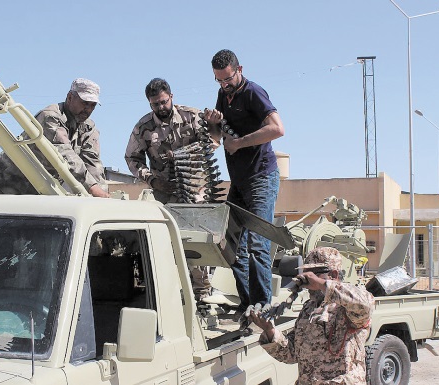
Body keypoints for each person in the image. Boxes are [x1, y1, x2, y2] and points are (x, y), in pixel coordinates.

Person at [202, 49, 285, 315]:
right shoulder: (224, 96)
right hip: (238, 182)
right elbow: (219, 137)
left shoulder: (253, 92)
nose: (225, 85)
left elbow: (277, 129)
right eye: (219, 81)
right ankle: (247, 303)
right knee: (232, 243)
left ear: (240, 69)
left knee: (258, 244)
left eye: (228, 79)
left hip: (261, 177)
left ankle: (262, 306)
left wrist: (240, 142)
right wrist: (214, 124)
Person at [125, 78, 219, 300]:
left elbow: (212, 145)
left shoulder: (191, 116)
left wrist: (185, 157)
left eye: (164, 102)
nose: (161, 107)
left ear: (171, 97)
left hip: (195, 190)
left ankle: (201, 292)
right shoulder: (143, 127)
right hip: (164, 193)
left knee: (196, 241)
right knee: (166, 242)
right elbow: (132, 158)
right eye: (155, 104)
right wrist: (153, 181)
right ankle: (169, 292)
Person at [247, 247, 374, 385]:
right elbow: (292, 353)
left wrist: (322, 285)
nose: (307, 282)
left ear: (333, 275)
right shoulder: (309, 309)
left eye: (313, 274)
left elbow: (365, 304)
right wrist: (270, 331)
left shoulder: (346, 308)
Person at [0, 78, 110, 198]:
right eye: (84, 103)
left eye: (92, 105)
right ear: (70, 97)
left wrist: (102, 193)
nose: (88, 109)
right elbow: (64, 153)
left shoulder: (88, 127)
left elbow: (92, 161)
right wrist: (92, 187)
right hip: (9, 181)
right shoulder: (50, 116)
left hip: (40, 187)